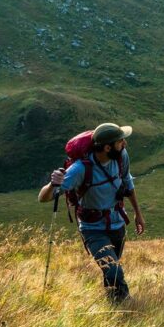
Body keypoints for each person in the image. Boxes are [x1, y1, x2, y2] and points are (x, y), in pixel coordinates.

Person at [38, 122, 146, 302]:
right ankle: (129, 304)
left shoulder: (121, 156)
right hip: (92, 228)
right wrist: (52, 184)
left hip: (117, 223)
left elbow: (127, 183)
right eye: (120, 142)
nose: (124, 145)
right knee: (113, 269)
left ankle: (113, 304)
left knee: (111, 271)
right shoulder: (80, 169)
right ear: (107, 147)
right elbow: (43, 198)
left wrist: (138, 213)